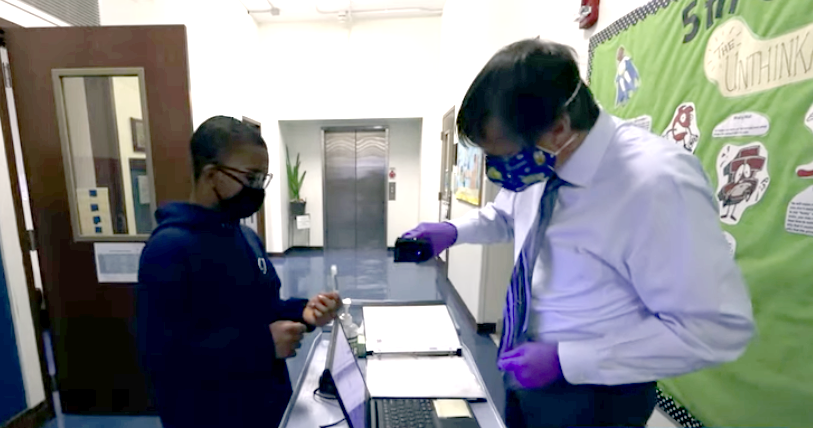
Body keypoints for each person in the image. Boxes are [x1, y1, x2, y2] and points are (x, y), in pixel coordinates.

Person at [403, 39, 754, 428]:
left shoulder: (655, 184)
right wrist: (453, 230)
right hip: (523, 371)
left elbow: (715, 328)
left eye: (504, 156)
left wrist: (565, 361)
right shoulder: (543, 162)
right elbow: (509, 215)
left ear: (558, 128)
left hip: (595, 398)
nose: (497, 170)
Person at [137, 116, 341, 427]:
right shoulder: (169, 250)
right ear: (212, 175)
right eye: (251, 178)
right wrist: (261, 345)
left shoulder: (244, 237)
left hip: (266, 405)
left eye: (262, 178)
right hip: (208, 414)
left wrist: (305, 311)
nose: (258, 189)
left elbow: (264, 308)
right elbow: (165, 357)